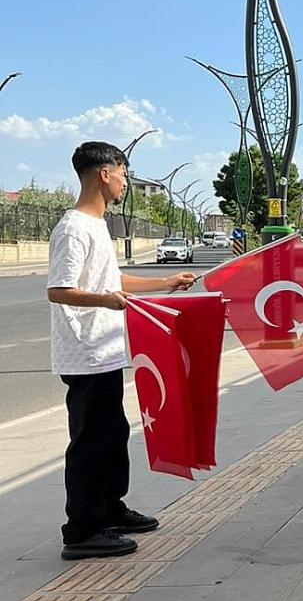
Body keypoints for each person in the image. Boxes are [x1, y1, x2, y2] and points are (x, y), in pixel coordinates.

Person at [48, 142, 195, 560]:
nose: (126, 182)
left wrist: (165, 284)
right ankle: (81, 530)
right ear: (104, 174)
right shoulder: (74, 227)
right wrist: (108, 302)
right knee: (90, 441)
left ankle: (109, 509)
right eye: (124, 174)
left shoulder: (97, 226)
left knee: (112, 435)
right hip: (84, 353)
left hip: (107, 351)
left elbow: (113, 279)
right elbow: (58, 289)